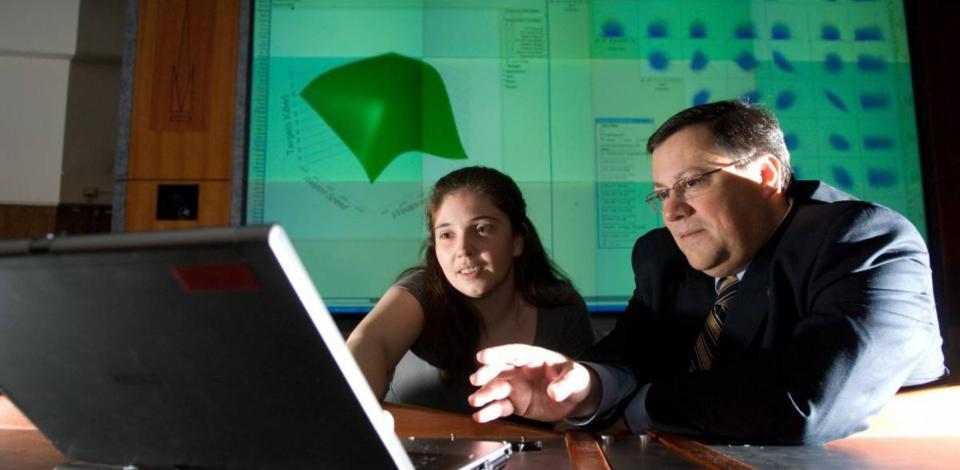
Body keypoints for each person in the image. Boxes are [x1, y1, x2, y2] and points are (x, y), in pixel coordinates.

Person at [468, 100, 946, 444]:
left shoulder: (864, 239)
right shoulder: (662, 255)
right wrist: (582, 387)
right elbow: (633, 349)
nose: (671, 211)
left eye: (692, 182)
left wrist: (640, 408)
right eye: (661, 193)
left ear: (764, 176)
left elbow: (806, 404)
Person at [347, 166, 594, 414]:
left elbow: (583, 418)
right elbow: (369, 343)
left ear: (518, 239)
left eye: (482, 229)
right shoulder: (419, 291)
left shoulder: (562, 309)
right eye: (446, 235)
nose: (463, 249)